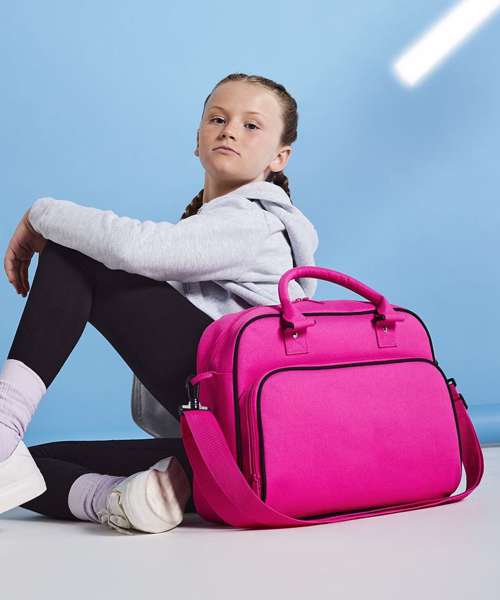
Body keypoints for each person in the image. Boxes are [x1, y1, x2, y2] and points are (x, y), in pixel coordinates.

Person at [0, 72, 319, 534]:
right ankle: (124, 500)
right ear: (197, 139)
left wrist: (40, 215)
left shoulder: (258, 220)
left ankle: (3, 424)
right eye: (218, 119)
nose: (230, 130)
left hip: (241, 421)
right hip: (235, 452)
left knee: (74, 253)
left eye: (251, 125)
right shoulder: (209, 227)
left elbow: (135, 249)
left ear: (279, 157)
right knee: (33, 466)